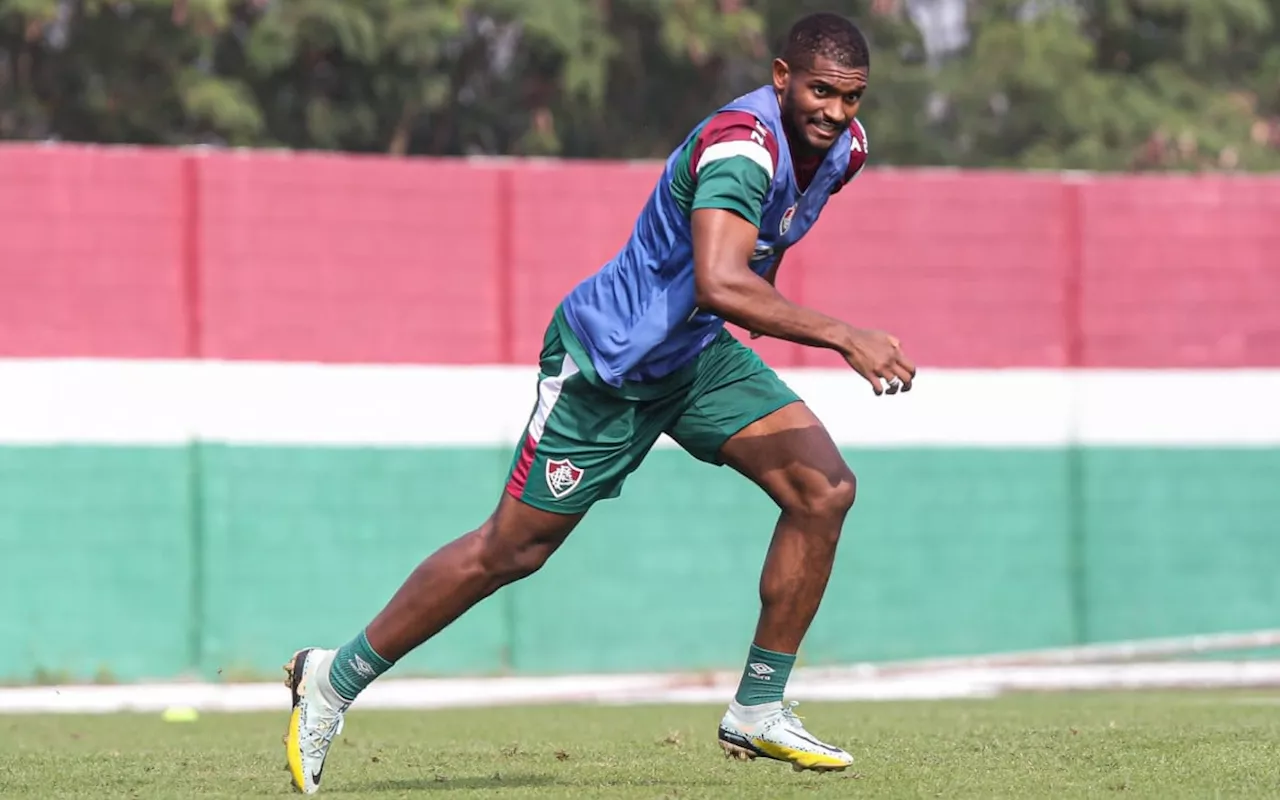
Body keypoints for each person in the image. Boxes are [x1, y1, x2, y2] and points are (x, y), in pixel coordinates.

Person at [282, 11, 916, 794]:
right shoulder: (739, 147)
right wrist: (846, 335)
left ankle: (758, 705)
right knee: (510, 551)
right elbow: (721, 278)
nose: (836, 112)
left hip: (698, 357)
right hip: (609, 365)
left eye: (852, 98)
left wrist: (763, 304)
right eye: (821, 91)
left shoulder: (844, 152)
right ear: (782, 77)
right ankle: (332, 680)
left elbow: (756, 255)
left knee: (824, 490)